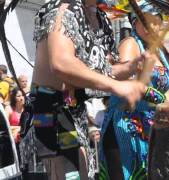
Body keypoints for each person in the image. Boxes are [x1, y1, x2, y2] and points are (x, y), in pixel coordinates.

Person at [24, 0, 148, 179]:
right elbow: (61, 63)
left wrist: (130, 67)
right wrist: (117, 86)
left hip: (74, 112)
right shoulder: (63, 8)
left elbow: (103, 71)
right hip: (47, 114)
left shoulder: (100, 18)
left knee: (80, 174)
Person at [99, 5, 169, 179]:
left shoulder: (159, 52)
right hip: (125, 127)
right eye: (146, 21)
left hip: (149, 129)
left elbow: (165, 93)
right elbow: (126, 85)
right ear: (134, 23)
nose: (151, 27)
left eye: (156, 22)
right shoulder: (130, 44)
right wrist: (157, 96)